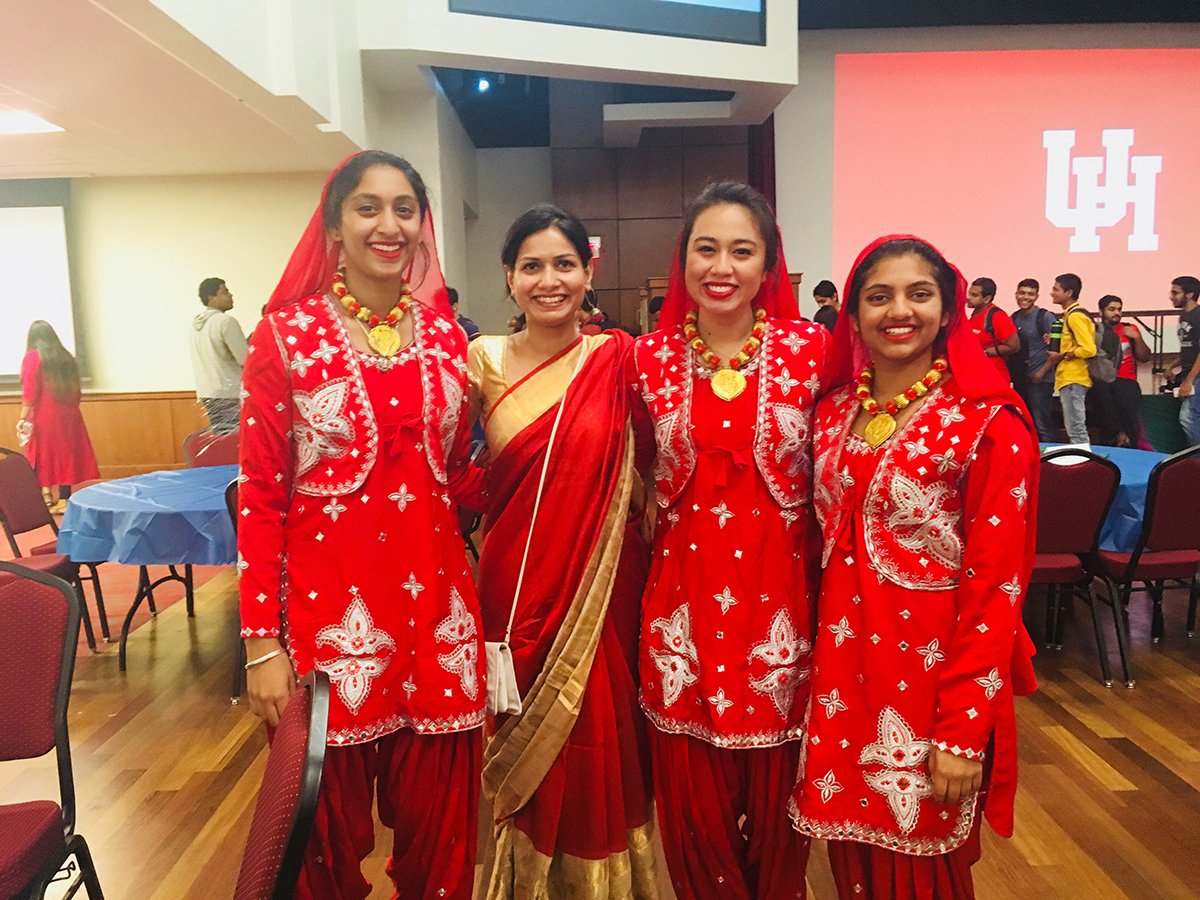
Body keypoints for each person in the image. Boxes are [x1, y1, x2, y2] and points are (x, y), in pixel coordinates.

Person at [237, 150, 485, 900]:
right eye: (368, 207)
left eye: (404, 209)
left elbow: (459, 477)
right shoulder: (285, 337)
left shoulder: (446, 337)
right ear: (334, 227)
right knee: (323, 844)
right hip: (328, 628)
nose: (389, 225)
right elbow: (261, 497)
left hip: (438, 620)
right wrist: (260, 644)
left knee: (441, 836)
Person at [790, 235, 1039, 900]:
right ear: (853, 316)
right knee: (852, 866)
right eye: (879, 297)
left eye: (918, 294)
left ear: (948, 310)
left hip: (929, 688)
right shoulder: (833, 412)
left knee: (922, 874)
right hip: (840, 678)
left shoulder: (988, 424)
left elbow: (997, 589)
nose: (899, 310)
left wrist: (963, 730)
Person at [630, 182, 829, 900]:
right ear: (682, 261)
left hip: (782, 613)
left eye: (742, 251)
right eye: (706, 249)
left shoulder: (814, 352)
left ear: (768, 264)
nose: (722, 267)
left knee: (778, 819)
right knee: (695, 819)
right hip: (682, 613)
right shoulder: (644, 360)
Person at [469, 204, 658, 898]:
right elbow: (442, 465)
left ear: (588, 273)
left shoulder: (619, 359)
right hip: (515, 582)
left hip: (600, 585)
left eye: (564, 264)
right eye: (532, 266)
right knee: (525, 732)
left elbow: (653, 464)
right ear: (509, 278)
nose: (549, 281)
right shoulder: (481, 360)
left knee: (599, 728)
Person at [18, 321, 100, 513]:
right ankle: (63, 498)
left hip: (45, 413)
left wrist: (22, 418)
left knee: (41, 454)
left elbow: (30, 391)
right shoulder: (66, 356)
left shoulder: (33, 357)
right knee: (66, 455)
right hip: (70, 412)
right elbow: (76, 388)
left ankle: (45, 496)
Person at [1035, 273, 1095, 445]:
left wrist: (1061, 355)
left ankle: (1084, 459)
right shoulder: (1069, 315)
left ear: (1069, 292)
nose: (1052, 293)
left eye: (1056, 289)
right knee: (1074, 427)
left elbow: (1088, 349)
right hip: (1069, 377)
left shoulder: (1075, 316)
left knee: (1076, 428)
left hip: (1074, 377)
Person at [189, 277, 248, 434]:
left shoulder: (195, 326)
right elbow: (244, 359)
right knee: (235, 440)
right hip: (230, 392)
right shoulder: (225, 321)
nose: (230, 295)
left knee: (222, 438)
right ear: (211, 298)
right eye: (225, 292)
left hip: (208, 391)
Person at [1089, 296, 1149, 448]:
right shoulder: (1093, 331)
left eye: (1119, 309)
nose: (1116, 313)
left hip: (1126, 379)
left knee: (1129, 406)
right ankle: (1115, 439)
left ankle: (1129, 444)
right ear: (1101, 312)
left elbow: (1144, 358)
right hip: (1101, 381)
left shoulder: (1130, 329)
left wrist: (1137, 338)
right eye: (1111, 309)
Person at [1009, 279, 1057, 442]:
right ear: (1016, 294)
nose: (1025, 297)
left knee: (1041, 422)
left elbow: (1057, 349)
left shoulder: (1045, 317)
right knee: (1023, 422)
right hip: (1021, 378)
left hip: (1041, 380)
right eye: (1022, 293)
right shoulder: (1013, 318)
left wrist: (1041, 373)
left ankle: (1049, 455)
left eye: (1030, 294)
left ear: (1037, 296)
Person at [966, 277, 1019, 382]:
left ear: (987, 299)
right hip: (977, 375)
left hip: (994, 377)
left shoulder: (997, 316)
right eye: (969, 293)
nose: (968, 297)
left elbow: (1014, 346)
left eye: (974, 295)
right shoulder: (976, 314)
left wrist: (985, 353)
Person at [1170, 275, 1200, 446]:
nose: (1171, 297)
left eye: (1176, 293)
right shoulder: (1184, 317)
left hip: (1196, 375)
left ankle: (1196, 458)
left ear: (1189, 294)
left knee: (1188, 417)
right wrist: (1172, 365)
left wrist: (1189, 381)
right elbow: (1189, 348)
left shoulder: (1198, 315)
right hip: (1189, 371)